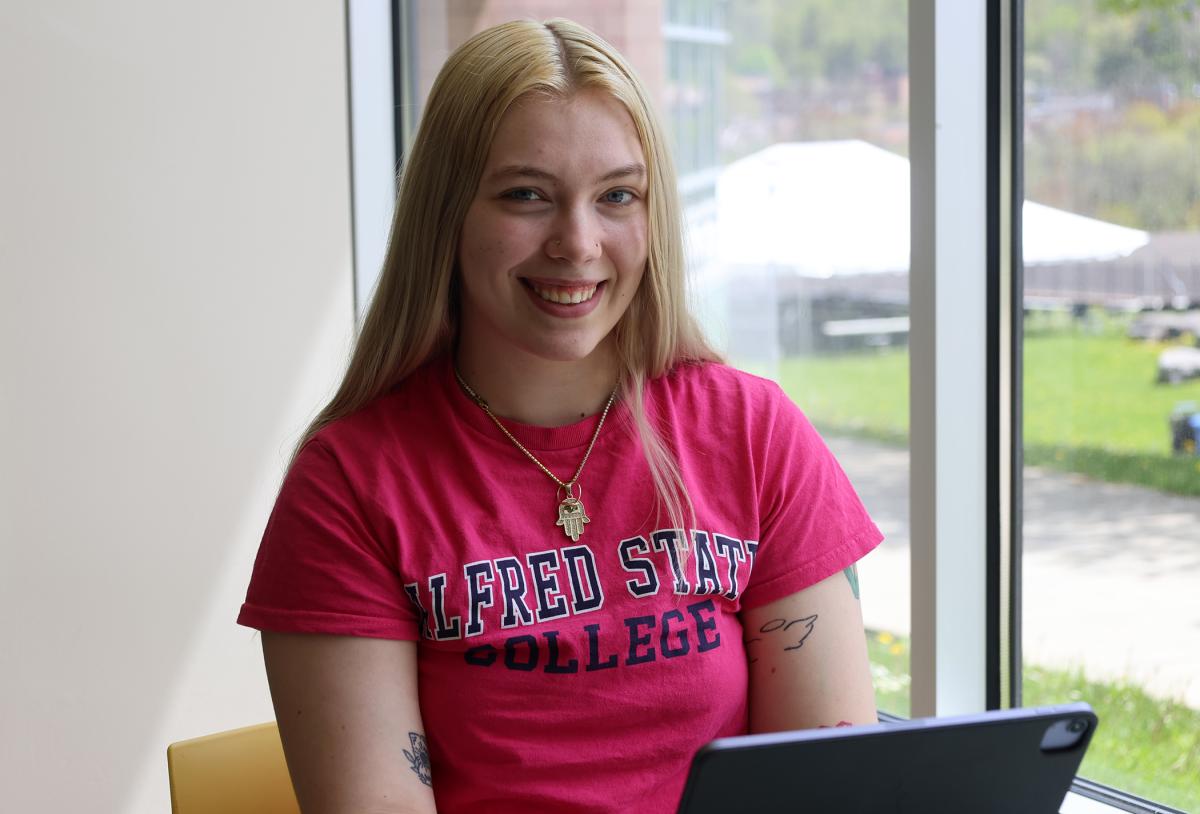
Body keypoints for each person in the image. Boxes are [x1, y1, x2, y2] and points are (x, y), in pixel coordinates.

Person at [238, 18, 882, 814]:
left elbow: (827, 787)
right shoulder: (349, 483)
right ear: (449, 212)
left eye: (617, 196)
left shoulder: (751, 433)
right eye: (527, 195)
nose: (578, 243)